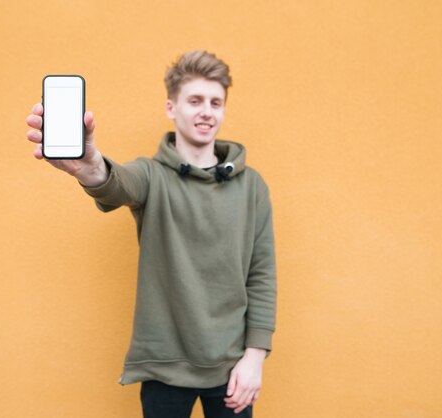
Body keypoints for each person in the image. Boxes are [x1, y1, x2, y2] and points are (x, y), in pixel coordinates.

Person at [25, 50, 276, 418]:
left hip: (233, 368)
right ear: (171, 108)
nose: (207, 111)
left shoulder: (252, 186)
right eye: (195, 100)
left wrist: (254, 358)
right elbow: (117, 184)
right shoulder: (151, 175)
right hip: (163, 366)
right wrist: (90, 167)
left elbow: (262, 274)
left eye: (215, 102)